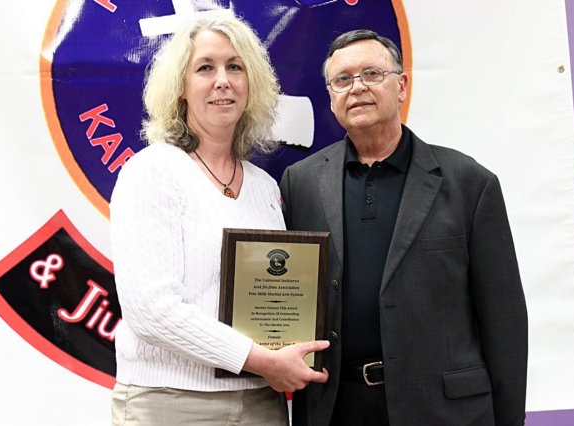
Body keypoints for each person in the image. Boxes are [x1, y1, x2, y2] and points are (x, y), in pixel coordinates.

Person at [280, 29, 528, 426]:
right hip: (338, 408)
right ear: (331, 96)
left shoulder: (469, 182)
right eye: (343, 79)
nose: (357, 88)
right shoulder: (301, 182)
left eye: (372, 74)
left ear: (402, 86)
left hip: (444, 411)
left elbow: (505, 320)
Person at [109, 10, 328, 426]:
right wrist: (260, 359)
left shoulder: (265, 187)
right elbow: (151, 309)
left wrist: (281, 355)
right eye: (205, 68)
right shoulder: (152, 171)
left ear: (251, 84)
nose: (222, 80)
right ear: (180, 87)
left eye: (235, 67)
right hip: (170, 404)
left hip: (261, 402)